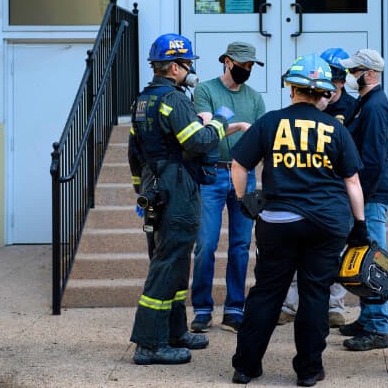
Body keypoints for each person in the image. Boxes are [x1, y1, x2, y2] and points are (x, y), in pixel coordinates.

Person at [229, 54, 369, 386]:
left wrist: (244, 201)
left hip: (277, 223)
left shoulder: (269, 123)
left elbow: (239, 164)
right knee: (314, 294)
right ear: (321, 93)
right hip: (325, 224)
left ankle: (245, 367)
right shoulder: (335, 127)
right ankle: (308, 371)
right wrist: (360, 225)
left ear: (292, 89)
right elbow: (352, 182)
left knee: (266, 293)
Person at [127, 33, 236, 366]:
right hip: (176, 189)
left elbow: (134, 153)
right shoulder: (174, 100)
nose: (190, 69)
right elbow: (198, 142)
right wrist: (220, 121)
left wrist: (141, 190)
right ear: (174, 67)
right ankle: (149, 344)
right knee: (166, 264)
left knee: (174, 261)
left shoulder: (142, 101)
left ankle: (175, 332)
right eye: (187, 64)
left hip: (155, 185)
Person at [277, 47, 356, 328]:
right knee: (297, 254)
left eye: (337, 79)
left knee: (335, 253)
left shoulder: (352, 108)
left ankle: (335, 305)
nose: (332, 86)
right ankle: (289, 305)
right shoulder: (304, 108)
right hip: (306, 190)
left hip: (336, 192)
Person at [191, 42, 266, 334]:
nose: (246, 70)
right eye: (242, 64)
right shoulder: (206, 91)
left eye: (250, 66)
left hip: (244, 175)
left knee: (240, 246)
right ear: (226, 61)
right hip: (211, 174)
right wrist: (240, 127)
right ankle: (202, 309)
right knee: (206, 245)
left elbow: (260, 138)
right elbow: (206, 132)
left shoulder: (255, 99)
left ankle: (235, 308)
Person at [337, 49, 388, 351]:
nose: (349, 76)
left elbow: (372, 159)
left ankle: (377, 326)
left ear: (369, 73)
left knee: (373, 261)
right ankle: (367, 316)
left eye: (354, 70)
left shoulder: (374, 106)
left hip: (370, 195)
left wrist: (359, 196)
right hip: (366, 193)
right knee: (362, 257)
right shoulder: (366, 103)